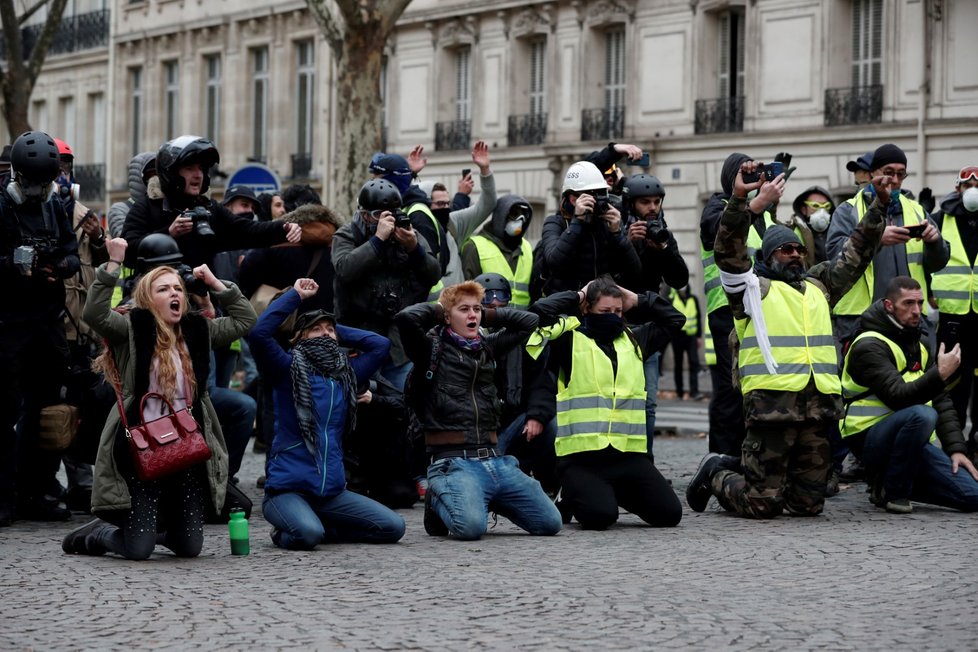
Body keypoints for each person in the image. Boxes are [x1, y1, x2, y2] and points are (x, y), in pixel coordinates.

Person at [685, 159, 890, 519]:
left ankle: (765, 478)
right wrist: (741, 202)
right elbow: (727, 251)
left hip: (815, 413)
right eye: (785, 250)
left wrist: (880, 206)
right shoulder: (751, 290)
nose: (795, 254)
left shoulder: (819, 286)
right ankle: (718, 472)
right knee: (762, 505)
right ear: (768, 257)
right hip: (771, 413)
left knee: (808, 507)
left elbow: (857, 253)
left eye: (798, 249)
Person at [61, 237, 256, 558]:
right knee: (138, 550)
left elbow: (245, 320)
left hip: (186, 447)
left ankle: (151, 532)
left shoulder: (199, 330)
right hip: (142, 447)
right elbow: (95, 314)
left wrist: (214, 283)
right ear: (148, 300)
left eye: (178, 288)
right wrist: (112, 263)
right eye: (163, 289)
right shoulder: (131, 328)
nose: (174, 294)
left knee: (189, 548)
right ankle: (99, 535)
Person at [395, 281, 562, 540]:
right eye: (464, 310)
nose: (473, 315)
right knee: (470, 528)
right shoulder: (430, 350)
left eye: (477, 309)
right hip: (454, 462)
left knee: (551, 523)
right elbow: (406, 318)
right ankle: (438, 498)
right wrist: (442, 309)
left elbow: (530, 321)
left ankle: (485, 497)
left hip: (496, 460)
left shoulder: (488, 346)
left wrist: (487, 312)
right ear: (447, 317)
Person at [247, 278, 405, 549]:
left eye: (329, 331)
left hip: (330, 493)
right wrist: (295, 296)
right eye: (315, 330)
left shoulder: (347, 375)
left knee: (393, 527)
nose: (325, 333)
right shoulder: (286, 369)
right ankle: (292, 528)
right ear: (299, 339)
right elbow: (259, 333)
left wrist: (329, 325)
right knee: (308, 536)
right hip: (287, 491)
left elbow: (379, 345)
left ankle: (322, 526)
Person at [529, 275, 684, 529]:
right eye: (605, 311)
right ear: (587, 309)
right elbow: (539, 313)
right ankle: (568, 491)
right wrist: (578, 294)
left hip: (627, 457)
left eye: (618, 311)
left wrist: (637, 299)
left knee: (669, 514)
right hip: (581, 459)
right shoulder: (569, 340)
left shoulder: (634, 339)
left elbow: (675, 320)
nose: (612, 316)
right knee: (600, 517)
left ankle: (610, 491)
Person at [840, 276, 978, 513]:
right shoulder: (868, 344)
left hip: (911, 440)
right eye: (908, 304)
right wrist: (940, 374)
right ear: (888, 306)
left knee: (972, 496)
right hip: (869, 438)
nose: (916, 311)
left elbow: (941, 399)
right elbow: (898, 396)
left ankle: (888, 483)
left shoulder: (919, 340)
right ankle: (895, 493)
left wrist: (956, 449)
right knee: (922, 415)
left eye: (920, 303)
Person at [0, 130, 80, 525]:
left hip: (47, 325)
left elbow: (71, 251)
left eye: (43, 184)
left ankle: (39, 488)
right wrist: (14, 266)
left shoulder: (56, 205)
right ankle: (4, 493)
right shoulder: (1, 204)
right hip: (8, 325)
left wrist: (62, 266)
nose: (37, 191)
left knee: (50, 410)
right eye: (31, 184)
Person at [698, 152, 784, 457]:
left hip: (763, 312)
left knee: (756, 388)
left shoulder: (767, 215)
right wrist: (754, 203)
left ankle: (751, 457)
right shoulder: (716, 205)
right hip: (727, 311)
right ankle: (721, 460)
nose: (752, 181)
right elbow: (717, 231)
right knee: (729, 391)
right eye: (745, 175)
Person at [826, 143, 949, 347]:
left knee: (913, 378)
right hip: (860, 318)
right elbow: (834, 256)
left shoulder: (917, 211)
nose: (895, 180)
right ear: (872, 173)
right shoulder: (847, 210)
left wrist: (934, 242)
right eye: (889, 172)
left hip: (910, 317)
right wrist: (876, 239)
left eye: (901, 174)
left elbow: (938, 262)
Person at [121, 135, 301, 269]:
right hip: (156, 302)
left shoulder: (209, 207)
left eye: (201, 169)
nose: (198, 175)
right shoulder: (147, 206)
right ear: (172, 172)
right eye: (190, 168)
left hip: (202, 302)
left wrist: (283, 227)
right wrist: (168, 233)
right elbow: (127, 250)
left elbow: (246, 230)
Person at [332, 179, 441, 391]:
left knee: (404, 400)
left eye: (392, 214)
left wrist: (414, 248)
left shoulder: (409, 235)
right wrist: (377, 240)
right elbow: (345, 270)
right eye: (378, 215)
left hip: (398, 343)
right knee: (362, 401)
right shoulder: (347, 235)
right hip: (359, 339)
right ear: (364, 214)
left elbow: (433, 274)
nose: (387, 222)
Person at [620, 173, 689, 449]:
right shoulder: (617, 232)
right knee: (622, 399)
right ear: (631, 204)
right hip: (619, 325)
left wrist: (663, 250)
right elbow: (614, 277)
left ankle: (645, 461)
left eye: (656, 202)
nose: (652, 208)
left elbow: (680, 279)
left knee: (648, 402)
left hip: (648, 330)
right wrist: (629, 243)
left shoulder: (663, 234)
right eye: (645, 202)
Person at [538, 160, 642, 296]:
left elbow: (634, 272)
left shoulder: (607, 225)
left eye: (601, 193)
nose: (598, 199)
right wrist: (577, 222)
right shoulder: (555, 223)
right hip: (568, 305)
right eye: (593, 194)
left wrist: (617, 234)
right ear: (573, 199)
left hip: (601, 306)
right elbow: (554, 263)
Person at [930, 166, 978, 442]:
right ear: (957, 189)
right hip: (952, 314)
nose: (973, 191)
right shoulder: (941, 219)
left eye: (977, 185)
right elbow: (924, 255)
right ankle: (953, 437)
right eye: (967, 185)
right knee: (953, 378)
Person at [460, 194, 534, 307]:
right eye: (514, 214)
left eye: (524, 215)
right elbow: (466, 294)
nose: (520, 219)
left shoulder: (526, 247)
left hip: (522, 321)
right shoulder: (474, 246)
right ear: (501, 217)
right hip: (489, 322)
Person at [668, 286, 703, 400]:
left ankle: (694, 391)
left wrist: (698, 336)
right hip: (677, 336)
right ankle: (679, 392)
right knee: (678, 364)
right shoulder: (673, 300)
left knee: (694, 362)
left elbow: (698, 317)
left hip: (691, 336)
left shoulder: (693, 299)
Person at [791, 187, 836, 264]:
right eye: (815, 205)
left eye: (826, 206)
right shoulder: (793, 232)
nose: (822, 211)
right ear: (803, 210)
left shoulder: (838, 232)